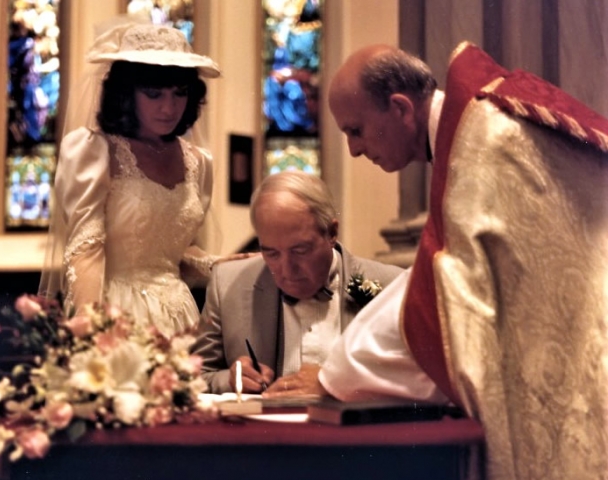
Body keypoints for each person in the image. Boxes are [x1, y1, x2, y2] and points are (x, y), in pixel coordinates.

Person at [323, 41, 608, 480]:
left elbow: (447, 302)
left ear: (400, 108)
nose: (354, 151)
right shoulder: (471, 132)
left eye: (355, 130)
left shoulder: (486, 143)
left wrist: (338, 371)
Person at [38, 23, 240, 337]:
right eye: (153, 93)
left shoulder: (199, 163)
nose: (169, 107)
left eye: (179, 93)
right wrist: (93, 330)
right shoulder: (93, 151)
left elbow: (169, 246)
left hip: (181, 316)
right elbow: (85, 249)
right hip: (116, 312)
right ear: (126, 93)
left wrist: (218, 263)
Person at [191, 170, 410, 395]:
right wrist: (229, 380)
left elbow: (413, 378)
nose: (287, 270)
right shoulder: (228, 284)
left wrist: (337, 382)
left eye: (300, 250)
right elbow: (194, 376)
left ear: (332, 232)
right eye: (272, 254)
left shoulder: (387, 285)